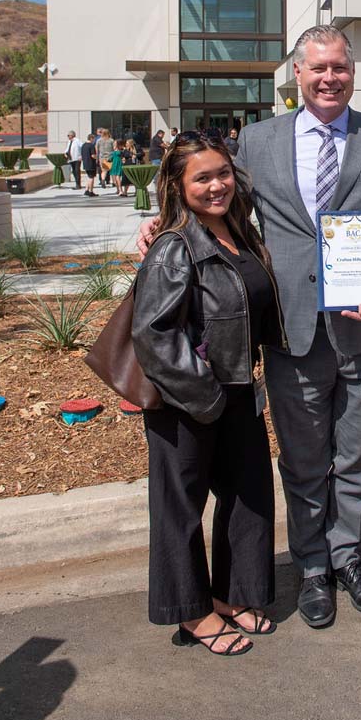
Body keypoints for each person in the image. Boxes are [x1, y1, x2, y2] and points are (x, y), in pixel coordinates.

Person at [138, 25, 361, 629]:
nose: (330, 79)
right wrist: (158, 225)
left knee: (360, 452)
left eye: (340, 68)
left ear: (353, 71)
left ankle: (351, 557)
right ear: (296, 73)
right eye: (318, 68)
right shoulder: (260, 143)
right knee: (300, 458)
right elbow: (216, 202)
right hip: (290, 330)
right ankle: (314, 565)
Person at [132, 130, 283, 656]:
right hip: (188, 399)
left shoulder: (241, 233)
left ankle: (234, 594)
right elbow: (153, 335)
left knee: (248, 495)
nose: (217, 185)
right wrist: (205, 395)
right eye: (202, 177)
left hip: (240, 388)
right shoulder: (174, 247)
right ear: (177, 184)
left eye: (223, 173)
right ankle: (192, 613)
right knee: (180, 508)